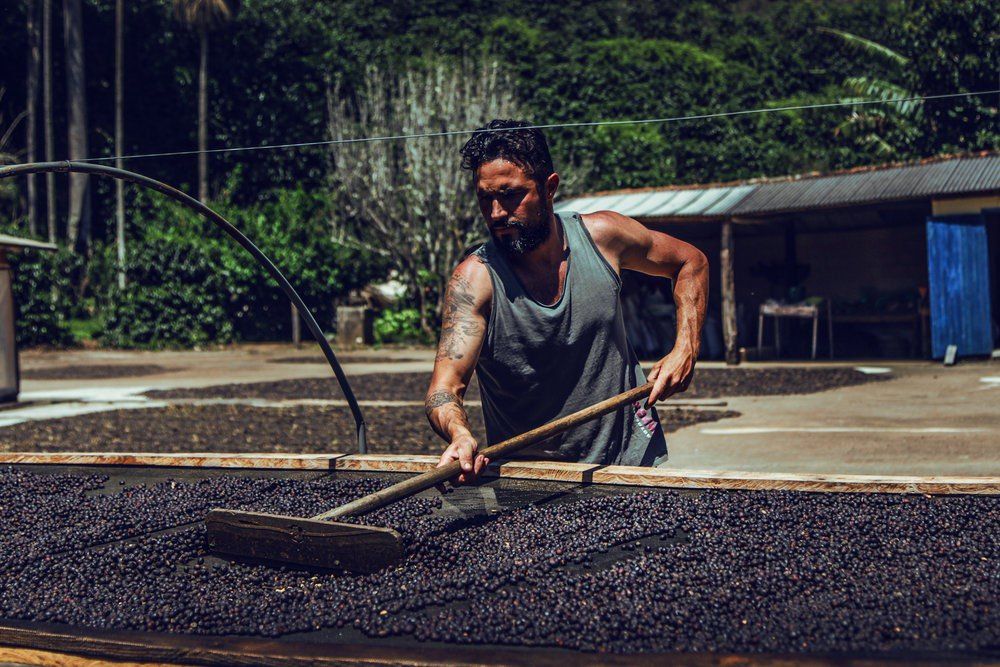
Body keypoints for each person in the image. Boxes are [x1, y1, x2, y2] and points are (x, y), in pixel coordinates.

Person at [424, 119, 708, 484]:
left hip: (629, 460)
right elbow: (444, 389)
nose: (496, 214)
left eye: (510, 195)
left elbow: (691, 262)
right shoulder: (475, 280)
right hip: (528, 475)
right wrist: (459, 434)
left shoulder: (604, 238)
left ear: (549, 188)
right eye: (485, 198)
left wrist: (686, 347)